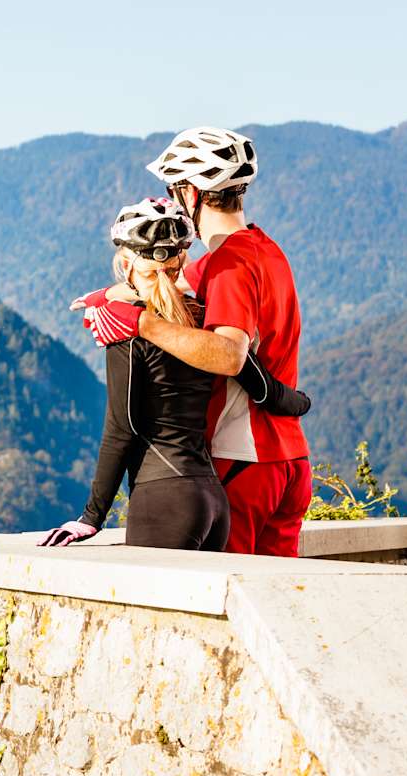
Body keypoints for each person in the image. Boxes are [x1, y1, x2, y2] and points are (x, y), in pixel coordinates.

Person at [79, 127, 312, 556]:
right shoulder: (264, 250)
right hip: (290, 461)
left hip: (243, 456)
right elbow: (160, 285)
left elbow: (228, 354)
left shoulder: (230, 265)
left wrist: (140, 325)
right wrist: (105, 297)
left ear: (190, 193)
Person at [40, 200, 230, 550]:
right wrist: (297, 403)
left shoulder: (127, 331)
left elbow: (121, 429)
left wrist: (91, 517)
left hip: (165, 498)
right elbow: (261, 383)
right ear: (180, 262)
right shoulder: (203, 321)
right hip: (214, 500)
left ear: (126, 264)